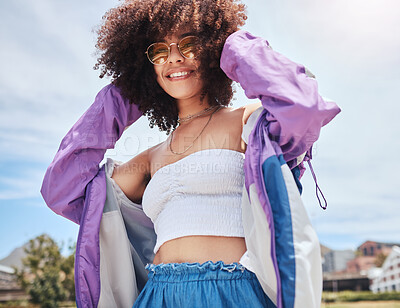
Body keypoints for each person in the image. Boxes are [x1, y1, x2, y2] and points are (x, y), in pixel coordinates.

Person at [40, 0, 341, 307]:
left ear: (212, 51)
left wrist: (235, 48)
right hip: (157, 295)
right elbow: (63, 189)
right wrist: (124, 97)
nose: (174, 57)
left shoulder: (247, 123)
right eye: (158, 51)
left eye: (189, 43)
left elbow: (304, 108)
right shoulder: (150, 159)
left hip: (232, 293)